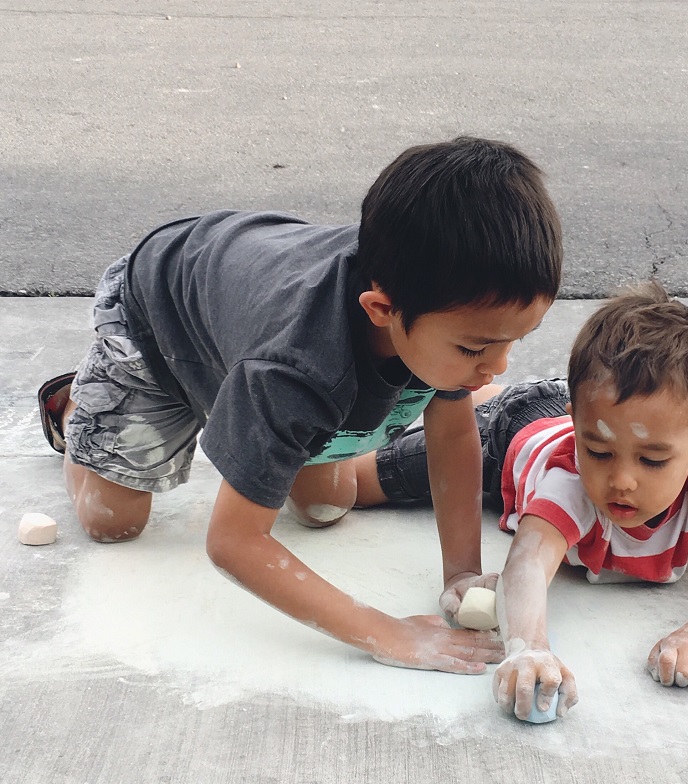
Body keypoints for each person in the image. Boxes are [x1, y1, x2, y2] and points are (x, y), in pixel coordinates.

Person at [37, 136, 563, 675]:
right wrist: (388, 635)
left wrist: (461, 575)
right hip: (158, 320)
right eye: (477, 348)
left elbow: (452, 436)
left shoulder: (447, 311)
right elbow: (234, 543)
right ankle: (80, 409)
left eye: (513, 342)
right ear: (382, 308)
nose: (498, 367)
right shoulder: (297, 369)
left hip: (248, 320)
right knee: (113, 522)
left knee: (326, 505)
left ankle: (242, 422)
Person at [353, 283, 688, 717]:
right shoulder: (572, 477)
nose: (621, 481)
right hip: (505, 441)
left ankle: (512, 395)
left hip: (579, 410)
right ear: (577, 429)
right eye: (599, 453)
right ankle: (493, 400)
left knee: (566, 417)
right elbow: (525, 565)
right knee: (342, 491)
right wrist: (528, 650)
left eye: (652, 460)